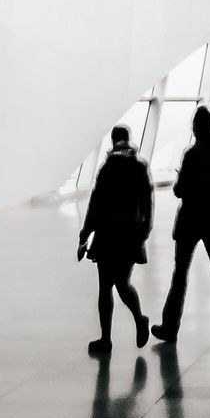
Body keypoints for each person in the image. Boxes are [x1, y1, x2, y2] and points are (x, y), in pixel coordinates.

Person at [153, 104, 210, 353]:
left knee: (180, 273)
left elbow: (179, 189)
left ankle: (170, 326)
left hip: (191, 219)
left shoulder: (192, 154)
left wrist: (183, 183)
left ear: (196, 128)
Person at [77, 126, 152, 355]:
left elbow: (96, 203)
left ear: (113, 141)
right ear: (128, 140)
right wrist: (144, 231)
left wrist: (85, 234)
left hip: (107, 235)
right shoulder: (140, 166)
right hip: (130, 235)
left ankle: (106, 339)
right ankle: (139, 319)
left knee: (105, 288)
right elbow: (148, 202)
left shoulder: (107, 167)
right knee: (122, 283)